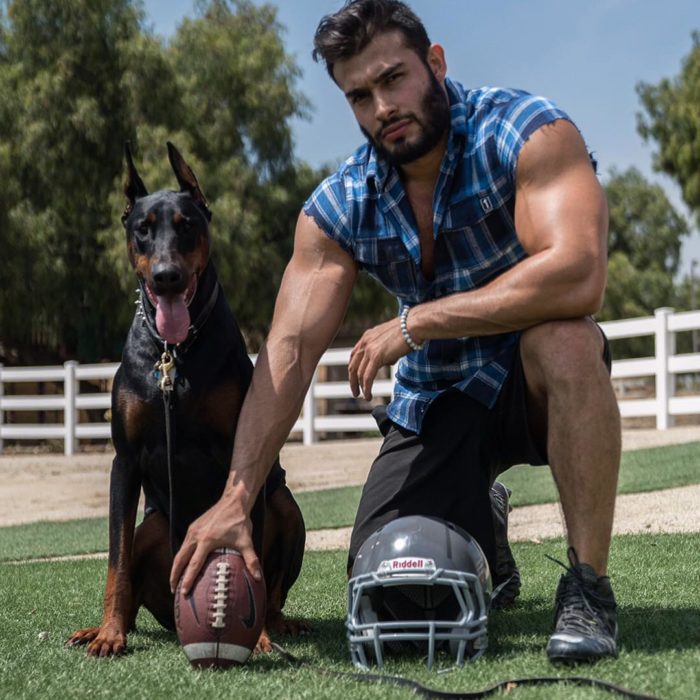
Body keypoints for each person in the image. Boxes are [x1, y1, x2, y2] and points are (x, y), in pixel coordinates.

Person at [170, 0, 621, 662]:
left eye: (393, 79)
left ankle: (588, 589)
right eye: (360, 95)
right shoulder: (342, 203)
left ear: (434, 63)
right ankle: (479, 511)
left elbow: (578, 275)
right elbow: (288, 350)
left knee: (569, 340)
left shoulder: (525, 131)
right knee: (397, 596)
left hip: (527, 382)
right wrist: (236, 496)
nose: (382, 106)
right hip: (434, 402)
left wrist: (417, 323)